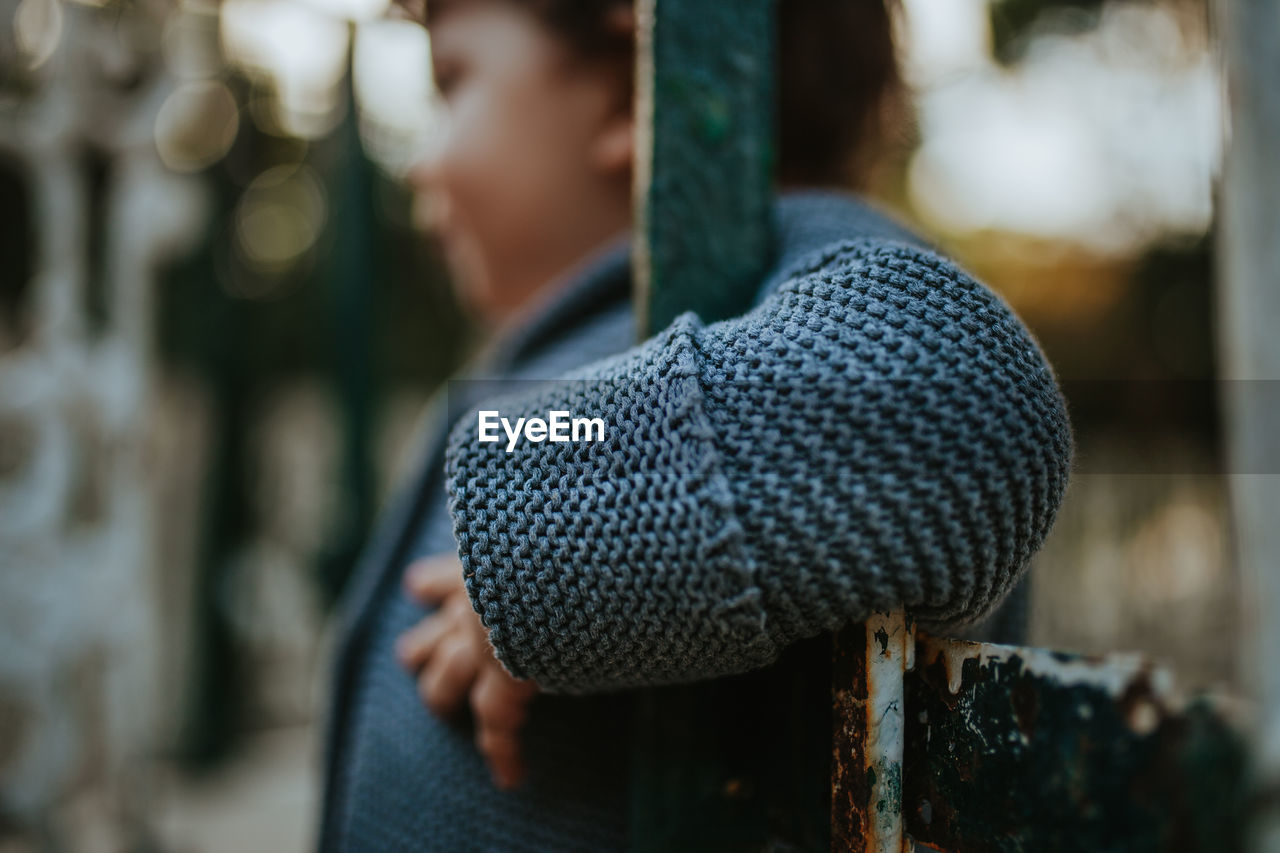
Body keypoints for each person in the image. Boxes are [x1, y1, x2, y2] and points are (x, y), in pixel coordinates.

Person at [317, 0, 1073, 850]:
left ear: (633, 86)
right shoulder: (551, 345)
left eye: (451, 82)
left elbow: (959, 400)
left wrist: (542, 536)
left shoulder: (780, 266)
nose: (422, 162)